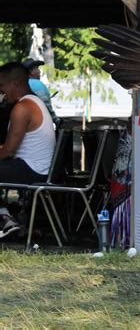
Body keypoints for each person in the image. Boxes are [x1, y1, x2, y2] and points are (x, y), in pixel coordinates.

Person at [0, 62, 56, 238]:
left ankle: (4, 218)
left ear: (14, 84)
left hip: (33, 169)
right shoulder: (34, 102)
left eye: (2, 86)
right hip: (36, 167)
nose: (1, 91)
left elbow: (8, 151)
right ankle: (5, 218)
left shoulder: (23, 107)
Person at [22, 58, 60, 126]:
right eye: (37, 69)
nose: (39, 72)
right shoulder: (37, 84)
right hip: (39, 126)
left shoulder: (22, 84)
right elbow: (46, 105)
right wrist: (56, 120)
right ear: (31, 71)